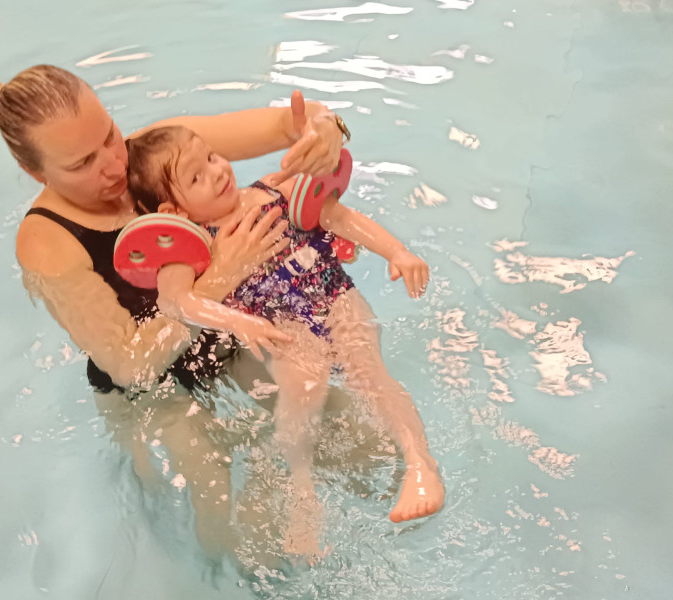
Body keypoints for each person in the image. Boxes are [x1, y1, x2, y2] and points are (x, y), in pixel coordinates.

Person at [0, 64, 353, 561]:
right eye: (83, 163)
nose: (114, 166)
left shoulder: (153, 155)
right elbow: (128, 364)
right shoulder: (46, 242)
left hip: (219, 338)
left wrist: (326, 129)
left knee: (356, 440)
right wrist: (218, 277)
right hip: (153, 393)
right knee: (229, 522)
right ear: (36, 174)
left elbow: (292, 124)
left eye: (109, 135)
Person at [120, 125, 445, 557]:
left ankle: (422, 466)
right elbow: (177, 302)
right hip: (282, 327)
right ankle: (303, 493)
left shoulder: (275, 191)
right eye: (196, 176)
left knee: (371, 375)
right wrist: (237, 322)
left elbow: (339, 218)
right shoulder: (188, 250)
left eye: (212, 156)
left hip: (334, 297)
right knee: (301, 394)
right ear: (173, 210)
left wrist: (397, 252)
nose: (217, 172)